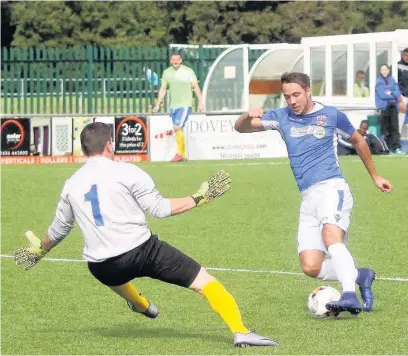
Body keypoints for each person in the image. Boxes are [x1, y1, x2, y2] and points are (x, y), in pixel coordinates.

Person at [13, 122, 278, 348]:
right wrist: (201, 197)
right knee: (206, 282)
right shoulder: (127, 171)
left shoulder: (71, 184)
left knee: (109, 269)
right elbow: (161, 209)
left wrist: (40, 251)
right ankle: (240, 331)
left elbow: (59, 229)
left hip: (101, 267)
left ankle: (141, 306)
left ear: (84, 151)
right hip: (143, 252)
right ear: (109, 146)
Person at [235, 72, 393, 316]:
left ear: (308, 91)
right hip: (308, 197)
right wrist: (247, 115)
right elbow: (241, 129)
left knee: (331, 237)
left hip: (332, 187)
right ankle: (360, 275)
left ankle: (350, 295)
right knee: (311, 267)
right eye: (287, 96)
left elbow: (359, 141)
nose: (292, 101)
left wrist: (375, 176)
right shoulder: (281, 116)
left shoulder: (330, 115)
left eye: (296, 95)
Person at [153, 53, 204, 162]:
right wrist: (158, 103)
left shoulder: (188, 71)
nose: (175, 61)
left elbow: (195, 87)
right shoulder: (167, 72)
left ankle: (179, 153)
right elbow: (163, 89)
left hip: (185, 105)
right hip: (173, 106)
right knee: (178, 129)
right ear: (171, 61)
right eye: (173, 59)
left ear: (181, 60)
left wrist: (200, 102)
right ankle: (184, 155)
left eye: (177, 59)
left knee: (177, 127)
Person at [375, 64, 405, 155]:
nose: (384, 71)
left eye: (385, 69)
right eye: (382, 70)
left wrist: (390, 93)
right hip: (384, 107)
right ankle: (388, 149)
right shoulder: (379, 82)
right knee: (386, 129)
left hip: (393, 107)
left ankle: (396, 148)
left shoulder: (392, 80)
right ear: (380, 71)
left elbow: (398, 92)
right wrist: (393, 94)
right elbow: (382, 95)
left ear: (388, 70)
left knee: (395, 128)